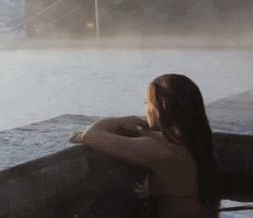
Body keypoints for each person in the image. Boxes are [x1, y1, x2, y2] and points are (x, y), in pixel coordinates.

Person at [69, 74, 220, 218]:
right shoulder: (195, 141)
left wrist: (122, 121)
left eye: (147, 103)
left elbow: (91, 136)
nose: (145, 109)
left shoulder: (160, 149)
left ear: (160, 108)